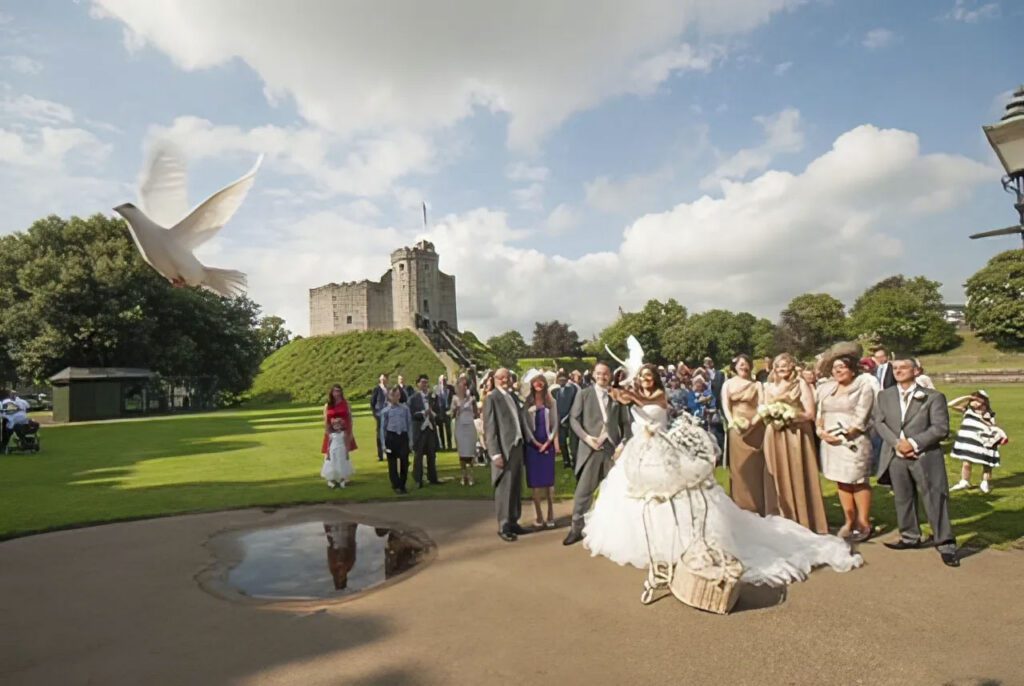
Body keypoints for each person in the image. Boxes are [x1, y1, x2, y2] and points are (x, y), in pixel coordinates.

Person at [582, 343, 862, 585]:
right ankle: (642, 542)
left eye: (647, 376)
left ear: (654, 378)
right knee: (630, 498)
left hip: (660, 450)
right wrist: (616, 385)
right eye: (641, 376)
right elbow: (622, 397)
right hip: (637, 451)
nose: (644, 379)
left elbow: (641, 399)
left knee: (674, 496)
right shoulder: (636, 391)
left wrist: (629, 392)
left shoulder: (658, 395)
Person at [875, 357, 958, 567]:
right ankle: (910, 536)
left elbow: (940, 428)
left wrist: (912, 443)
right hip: (895, 455)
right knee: (903, 497)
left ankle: (945, 543)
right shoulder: (885, 395)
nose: (898, 371)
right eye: (895, 368)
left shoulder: (933, 397)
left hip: (924, 455)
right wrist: (896, 444)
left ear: (916, 371)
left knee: (934, 497)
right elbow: (879, 422)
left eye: (903, 367)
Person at [563, 362, 631, 546]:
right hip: (591, 449)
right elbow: (573, 419)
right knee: (584, 492)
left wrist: (622, 445)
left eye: (606, 373)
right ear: (594, 375)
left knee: (615, 492)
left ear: (610, 375)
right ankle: (576, 528)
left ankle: (614, 530)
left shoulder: (616, 396)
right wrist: (586, 438)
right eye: (599, 373)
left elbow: (626, 423)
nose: (602, 376)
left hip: (612, 451)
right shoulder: (583, 394)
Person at [762, 353, 829, 533]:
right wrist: (771, 415)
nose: (782, 368)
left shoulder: (800, 384)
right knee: (775, 474)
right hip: (774, 435)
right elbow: (764, 408)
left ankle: (803, 519)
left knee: (798, 472)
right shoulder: (768, 386)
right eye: (778, 365)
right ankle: (779, 518)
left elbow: (810, 413)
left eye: (785, 364)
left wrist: (790, 415)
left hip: (796, 435)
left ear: (792, 366)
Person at [816, 346, 876, 542]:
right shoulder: (826, 388)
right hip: (830, 442)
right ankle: (849, 520)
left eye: (842, 367)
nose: (838, 371)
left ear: (852, 369)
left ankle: (864, 522)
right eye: (835, 368)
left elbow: (862, 417)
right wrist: (821, 432)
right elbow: (820, 413)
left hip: (853, 442)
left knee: (857, 481)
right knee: (841, 481)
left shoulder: (863, 387)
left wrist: (843, 436)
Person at [720, 355, 771, 516]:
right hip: (736, 428)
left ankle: (759, 505)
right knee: (739, 468)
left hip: (755, 428)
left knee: (756, 467)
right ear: (735, 367)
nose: (743, 367)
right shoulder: (728, 384)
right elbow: (725, 405)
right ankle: (741, 505)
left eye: (746, 364)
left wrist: (754, 423)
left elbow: (762, 405)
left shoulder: (757, 385)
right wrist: (732, 423)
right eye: (740, 364)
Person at [483, 368, 528, 542]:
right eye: (501, 378)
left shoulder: (513, 397)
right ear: (494, 379)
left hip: (517, 446)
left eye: (507, 377)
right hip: (503, 448)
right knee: (505, 487)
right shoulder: (492, 398)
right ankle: (503, 525)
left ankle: (514, 520)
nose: (505, 380)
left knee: (516, 485)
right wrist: (495, 453)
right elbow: (490, 428)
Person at [948, 390, 1006, 494]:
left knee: (986, 464)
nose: (975, 403)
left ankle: (985, 483)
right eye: (973, 400)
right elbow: (950, 404)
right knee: (966, 463)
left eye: (978, 400)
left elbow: (993, 427)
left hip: (983, 442)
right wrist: (966, 397)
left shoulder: (989, 414)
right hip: (968, 443)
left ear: (984, 402)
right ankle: (964, 481)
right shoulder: (967, 410)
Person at [522, 371, 559, 529]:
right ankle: (539, 515)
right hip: (533, 445)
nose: (538, 384)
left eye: (541, 381)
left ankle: (551, 514)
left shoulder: (552, 402)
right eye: (535, 382)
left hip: (547, 443)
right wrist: (535, 442)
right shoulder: (527, 402)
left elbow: (556, 423)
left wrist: (549, 441)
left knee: (549, 482)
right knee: (535, 483)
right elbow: (525, 425)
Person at [320, 384, 356, 489]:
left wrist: (350, 432)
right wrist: (328, 432)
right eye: (335, 391)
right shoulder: (328, 405)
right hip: (331, 432)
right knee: (330, 454)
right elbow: (325, 420)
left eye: (339, 391)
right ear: (331, 393)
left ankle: (343, 476)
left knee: (344, 453)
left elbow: (350, 417)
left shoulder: (346, 403)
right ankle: (331, 476)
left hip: (344, 430)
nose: (337, 393)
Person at [408, 375, 442, 487]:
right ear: (417, 384)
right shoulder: (413, 399)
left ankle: (433, 477)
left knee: (432, 454)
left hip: (430, 428)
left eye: (426, 382)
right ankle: (418, 479)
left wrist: (433, 413)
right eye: (422, 382)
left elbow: (438, 411)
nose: (425, 385)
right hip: (420, 429)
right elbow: (411, 414)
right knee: (419, 455)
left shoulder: (433, 397)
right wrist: (423, 413)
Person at [379, 386, 413, 494]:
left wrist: (410, 441)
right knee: (392, 463)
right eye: (393, 395)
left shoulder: (405, 409)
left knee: (404, 461)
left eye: (397, 395)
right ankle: (395, 483)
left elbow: (409, 425)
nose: (395, 397)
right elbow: (382, 428)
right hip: (391, 437)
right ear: (389, 397)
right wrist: (383, 444)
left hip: (402, 436)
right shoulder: (386, 411)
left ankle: (402, 484)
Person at [451, 376, 479, 486]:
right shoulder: (454, 398)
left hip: (470, 426)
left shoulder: (471, 399)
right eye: (462, 385)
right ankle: (463, 475)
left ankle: (471, 474)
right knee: (462, 452)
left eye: (465, 385)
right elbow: (452, 415)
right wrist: (456, 408)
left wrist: (474, 405)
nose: (464, 387)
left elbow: (476, 414)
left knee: (470, 452)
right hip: (460, 427)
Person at [553, 371, 579, 470]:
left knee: (572, 443)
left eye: (563, 379)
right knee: (562, 442)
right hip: (559, 421)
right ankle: (566, 461)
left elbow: (574, 404)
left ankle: (574, 460)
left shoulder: (573, 389)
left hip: (570, 419)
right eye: (559, 379)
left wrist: (567, 417)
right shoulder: (555, 392)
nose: (561, 381)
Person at [370, 373, 390, 461]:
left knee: (389, 433)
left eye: (384, 379)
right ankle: (380, 455)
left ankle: (389, 452)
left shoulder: (389, 389)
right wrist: (375, 414)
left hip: (389, 414)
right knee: (379, 434)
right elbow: (372, 403)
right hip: (380, 414)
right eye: (381, 379)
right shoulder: (377, 389)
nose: (382, 380)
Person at [434, 374, 454, 451]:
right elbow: (434, 401)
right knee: (441, 429)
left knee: (448, 429)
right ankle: (442, 445)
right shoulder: (436, 389)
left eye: (445, 380)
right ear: (439, 381)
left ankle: (449, 445)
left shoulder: (450, 388)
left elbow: (453, 398)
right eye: (442, 380)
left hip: (447, 410)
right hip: (440, 411)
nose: (443, 381)